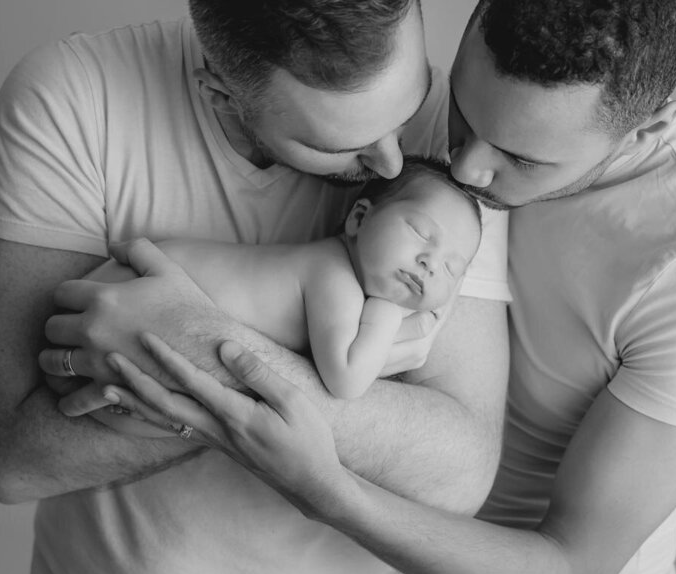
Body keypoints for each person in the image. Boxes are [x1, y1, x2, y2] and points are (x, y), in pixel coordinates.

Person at [100, 0, 676, 574]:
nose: (465, 167)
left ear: (644, 127)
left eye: (522, 160)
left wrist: (328, 491)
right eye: (463, 111)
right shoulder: (411, 122)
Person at [0, 0, 511, 574]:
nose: (393, 165)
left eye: (408, 103)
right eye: (342, 143)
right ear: (221, 95)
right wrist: (312, 399)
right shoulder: (72, 100)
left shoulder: (444, 145)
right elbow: (12, 456)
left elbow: (457, 473)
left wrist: (199, 346)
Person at [61, 157, 482, 412]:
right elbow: (347, 381)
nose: (430, 263)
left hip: (132, 303)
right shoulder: (332, 275)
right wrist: (390, 314)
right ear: (359, 218)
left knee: (178, 415)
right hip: (131, 294)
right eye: (421, 233)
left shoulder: (336, 274)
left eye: (451, 268)